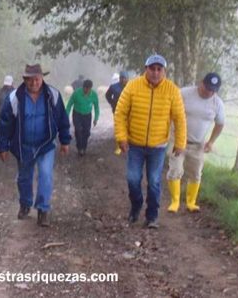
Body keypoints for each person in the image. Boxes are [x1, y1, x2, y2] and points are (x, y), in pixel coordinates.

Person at [114, 54, 186, 228]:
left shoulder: (172, 90)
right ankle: (136, 205)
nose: (155, 73)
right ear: (146, 69)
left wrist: (180, 143)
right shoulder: (133, 86)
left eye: (159, 69)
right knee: (133, 179)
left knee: (154, 181)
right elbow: (120, 113)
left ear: (164, 71)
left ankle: (152, 216)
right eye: (152, 69)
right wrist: (121, 138)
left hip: (158, 146)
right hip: (135, 144)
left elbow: (180, 118)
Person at [0, 64, 71, 227]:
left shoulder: (53, 95)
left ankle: (43, 209)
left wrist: (65, 140)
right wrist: (2, 146)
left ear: (42, 78)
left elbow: (62, 118)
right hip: (24, 145)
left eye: (37, 79)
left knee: (46, 175)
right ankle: (25, 204)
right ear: (24, 80)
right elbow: (5, 123)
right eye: (30, 80)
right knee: (24, 178)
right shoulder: (14, 98)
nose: (34, 83)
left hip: (45, 144)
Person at [167, 73, 225, 213]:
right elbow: (169, 111)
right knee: (175, 169)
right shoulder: (184, 93)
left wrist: (211, 142)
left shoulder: (217, 103)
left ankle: (191, 203)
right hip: (178, 140)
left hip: (198, 145)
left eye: (213, 90)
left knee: (196, 173)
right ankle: (175, 202)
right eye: (207, 88)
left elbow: (220, 124)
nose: (209, 92)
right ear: (201, 83)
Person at [65, 79, 100, 156]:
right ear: (83, 87)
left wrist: (96, 118)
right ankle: (79, 148)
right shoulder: (76, 93)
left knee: (86, 132)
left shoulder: (94, 95)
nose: (86, 90)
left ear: (91, 88)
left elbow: (96, 107)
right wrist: (66, 115)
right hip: (77, 114)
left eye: (88, 88)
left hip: (87, 115)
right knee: (78, 130)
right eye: (85, 88)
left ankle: (84, 147)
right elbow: (69, 104)